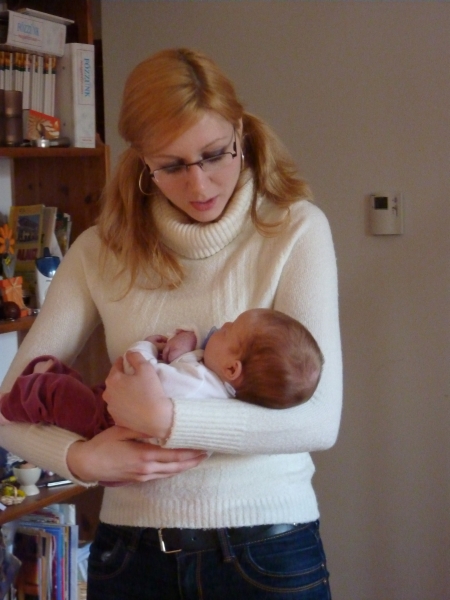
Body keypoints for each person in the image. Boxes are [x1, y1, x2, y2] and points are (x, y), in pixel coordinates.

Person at [0, 48, 342, 599]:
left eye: (214, 155)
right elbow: (8, 404)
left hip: (266, 551)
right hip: (130, 556)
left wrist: (166, 419)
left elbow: (318, 421)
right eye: (172, 166)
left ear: (240, 132)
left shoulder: (295, 229)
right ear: (142, 161)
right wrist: (81, 458)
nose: (200, 185)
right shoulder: (98, 252)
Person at [0, 309, 324, 438]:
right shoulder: (217, 385)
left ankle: (8, 408)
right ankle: (49, 377)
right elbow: (187, 367)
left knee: (57, 394)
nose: (222, 325)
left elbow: (142, 374)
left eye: (228, 330)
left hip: (107, 422)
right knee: (72, 388)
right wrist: (186, 345)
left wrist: (146, 348)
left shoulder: (197, 384)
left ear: (232, 368)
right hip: (117, 416)